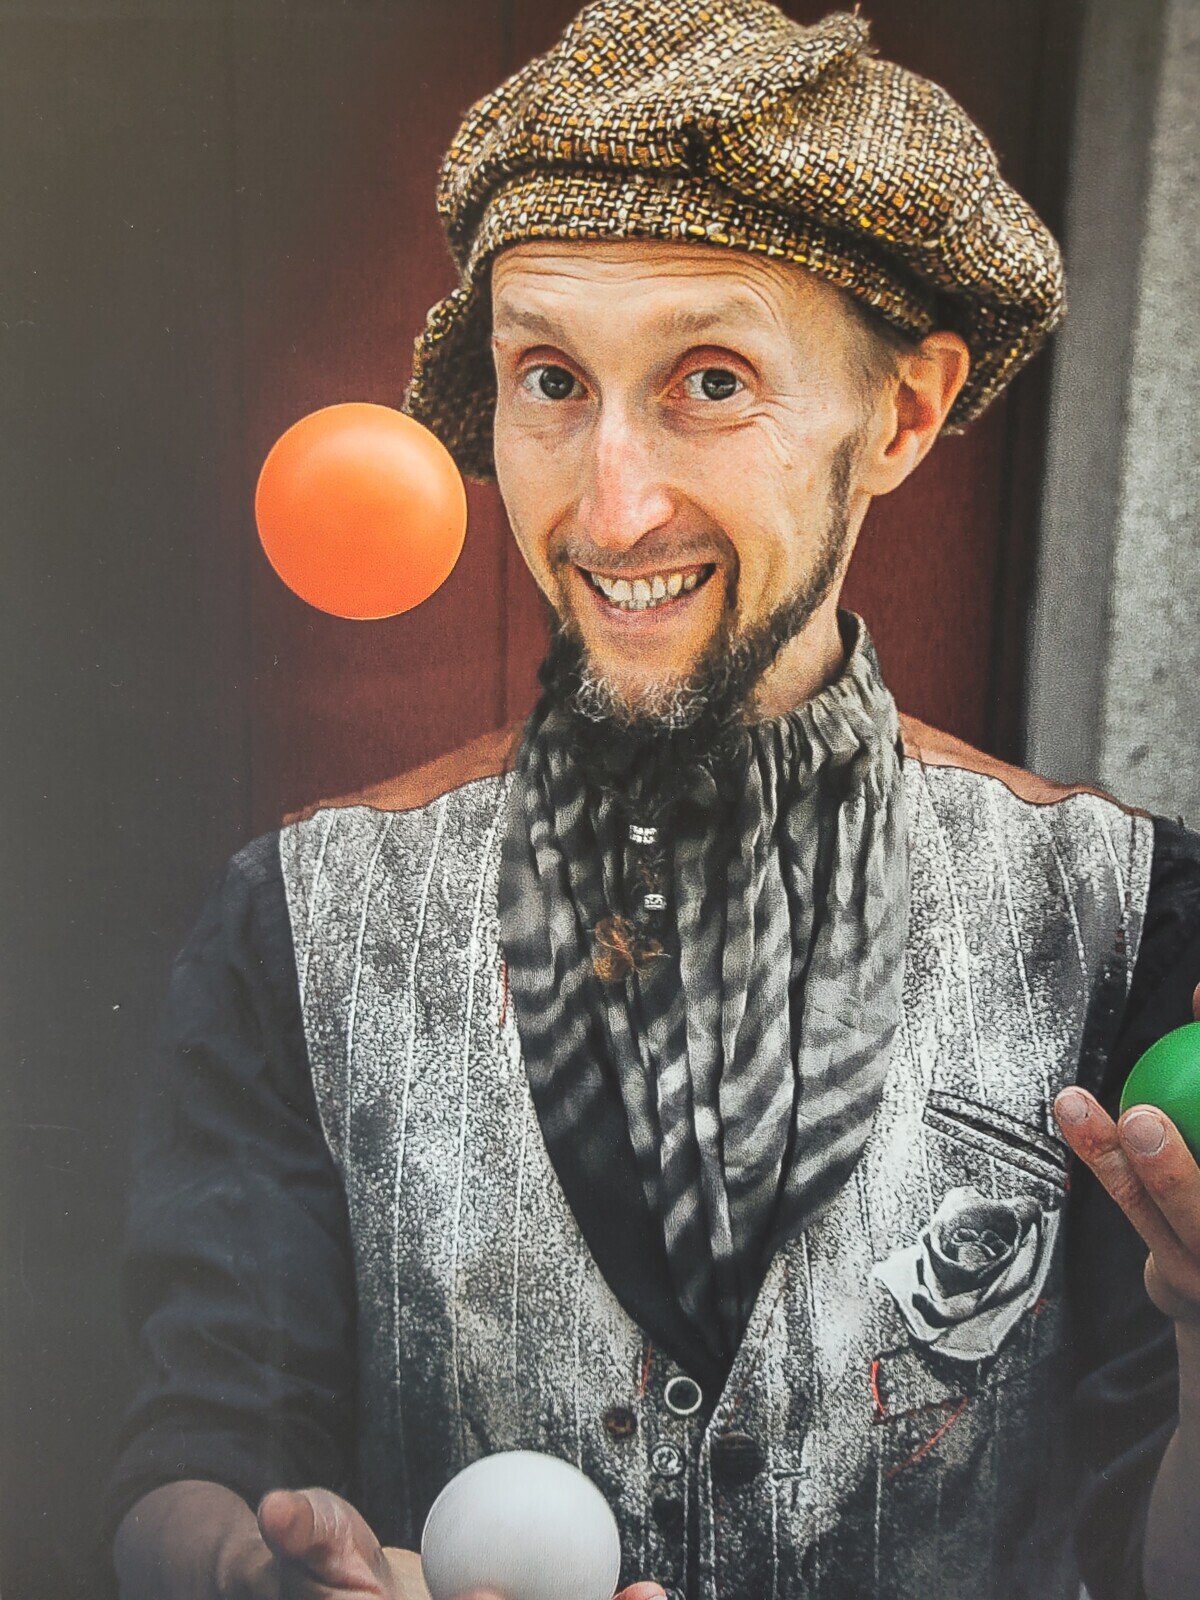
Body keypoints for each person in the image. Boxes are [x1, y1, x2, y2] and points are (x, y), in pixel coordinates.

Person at [107, 4, 1200, 1597]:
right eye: (551, 378)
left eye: (710, 379)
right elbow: (194, 1448)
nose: (611, 508)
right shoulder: (299, 922)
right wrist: (243, 1571)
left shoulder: (1127, 920)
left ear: (900, 414)